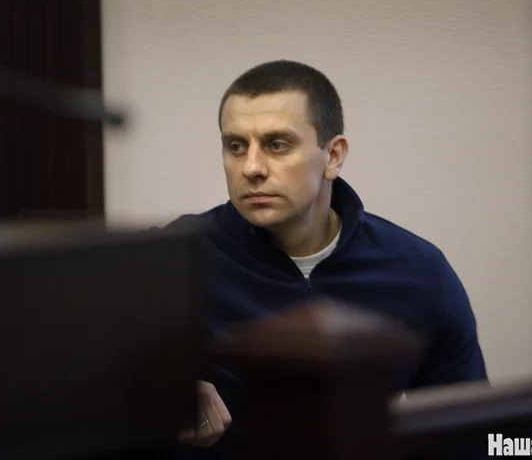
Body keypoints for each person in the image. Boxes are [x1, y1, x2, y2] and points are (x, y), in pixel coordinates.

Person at [167, 59, 488, 459]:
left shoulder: (418, 270)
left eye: (277, 144)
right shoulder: (176, 256)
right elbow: (98, 378)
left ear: (333, 155)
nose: (251, 168)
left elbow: (466, 436)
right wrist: (161, 389)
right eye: (236, 146)